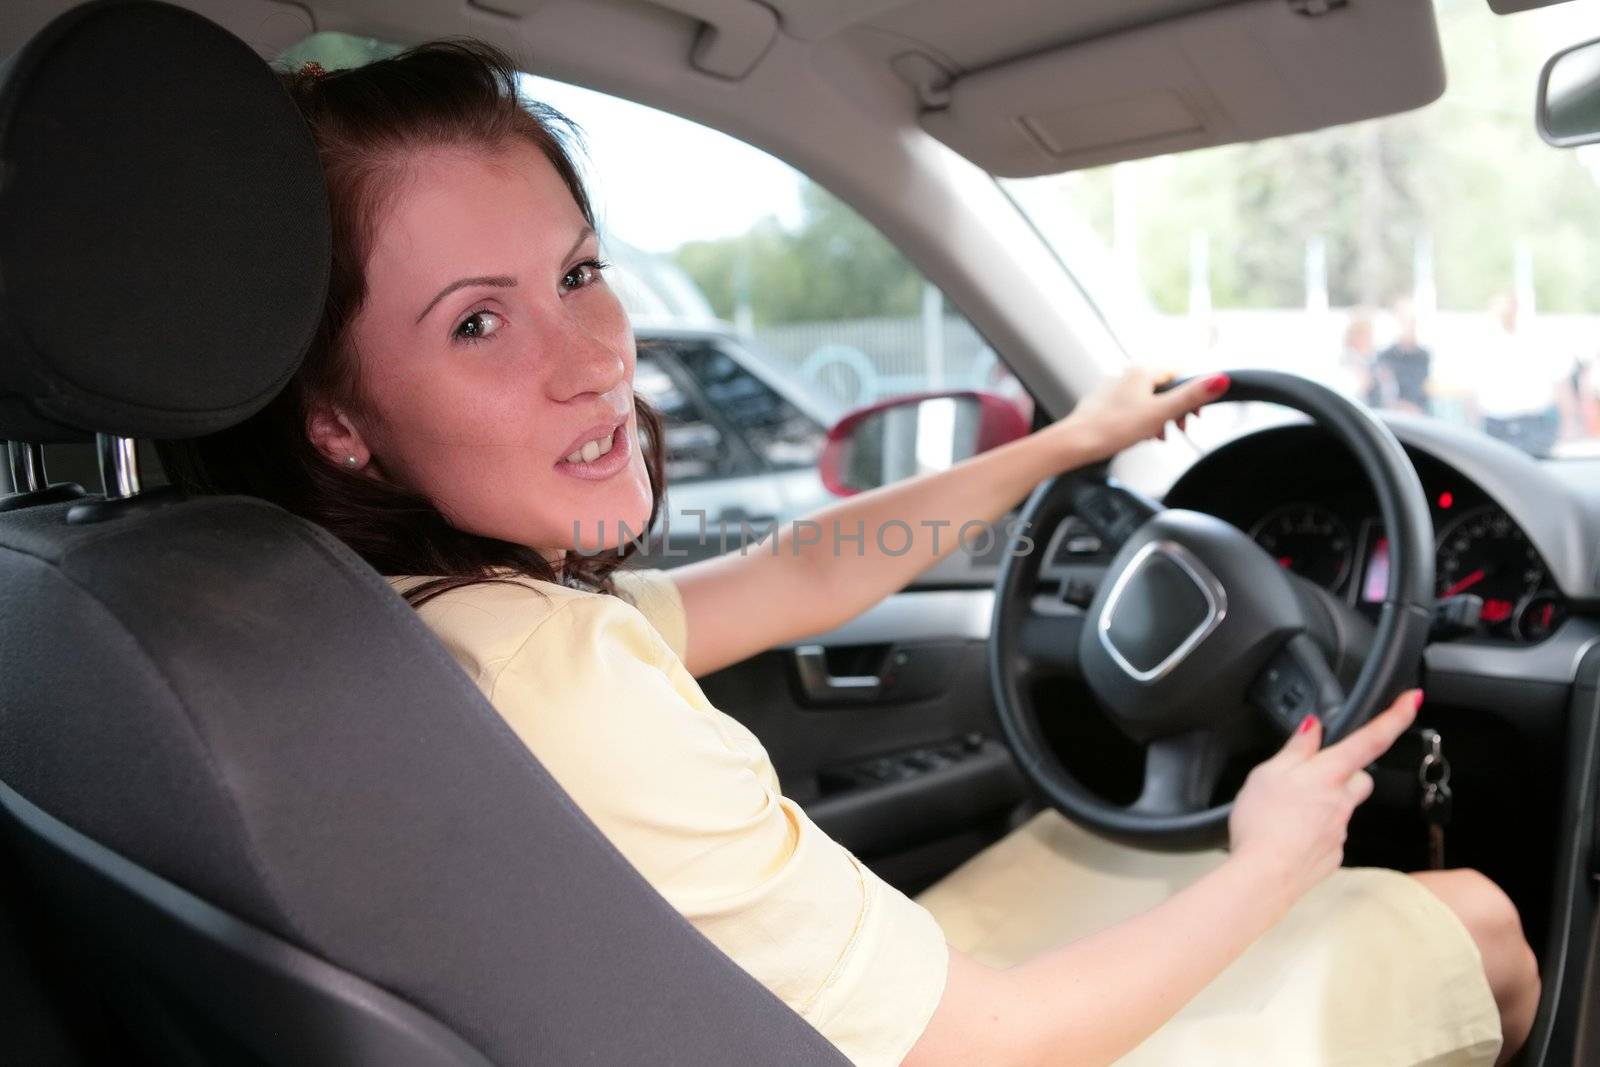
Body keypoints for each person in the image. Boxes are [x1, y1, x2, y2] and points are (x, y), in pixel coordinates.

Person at [160, 42, 1538, 1067]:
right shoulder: (556, 670)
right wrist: (1275, 860)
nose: (590, 360)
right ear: (338, 419)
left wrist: (1067, 443)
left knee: (1106, 843)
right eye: (477, 323)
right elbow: (990, 1042)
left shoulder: (401, 616)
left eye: (580, 274)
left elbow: (799, 574)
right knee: (1469, 914)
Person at [1469, 293, 1573, 456]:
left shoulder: (1542, 340)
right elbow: (1473, 394)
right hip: (1496, 426)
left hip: (1535, 426)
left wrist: (1567, 427)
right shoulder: (1484, 343)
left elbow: (1562, 388)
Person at [1371, 297, 1433, 414]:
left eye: (1410, 321)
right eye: (1402, 321)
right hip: (1391, 414)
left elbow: (1423, 388)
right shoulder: (1384, 356)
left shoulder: (1423, 356)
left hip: (1418, 414)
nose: (1406, 326)